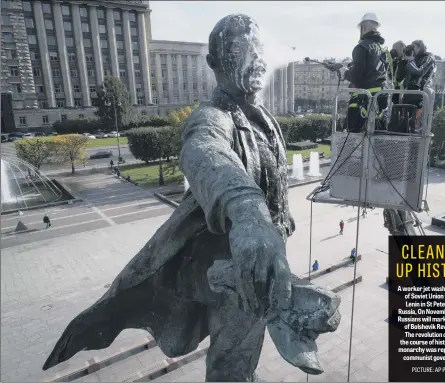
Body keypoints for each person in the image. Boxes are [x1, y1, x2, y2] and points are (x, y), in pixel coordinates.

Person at [42, 14, 319, 382]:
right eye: (240, 49)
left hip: (262, 261)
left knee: (248, 359)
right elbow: (206, 152)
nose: (256, 58)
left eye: (259, 49)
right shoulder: (210, 118)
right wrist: (249, 212)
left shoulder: (264, 118)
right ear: (215, 63)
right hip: (231, 274)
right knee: (232, 366)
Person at [342, 13, 389, 133]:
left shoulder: (361, 47)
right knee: (377, 140)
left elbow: (357, 76)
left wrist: (345, 73)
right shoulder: (382, 49)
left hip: (362, 100)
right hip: (380, 100)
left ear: (364, 27)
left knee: (353, 139)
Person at [403, 40, 436, 131]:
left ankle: (415, 141)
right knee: (405, 120)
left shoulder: (428, 57)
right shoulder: (413, 59)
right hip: (409, 92)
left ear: (420, 47)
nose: (412, 50)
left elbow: (419, 72)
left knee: (415, 123)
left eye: (413, 48)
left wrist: (411, 60)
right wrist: (404, 60)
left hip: (420, 92)